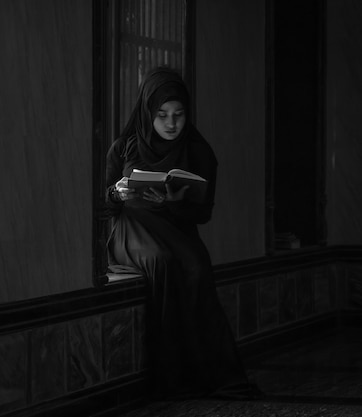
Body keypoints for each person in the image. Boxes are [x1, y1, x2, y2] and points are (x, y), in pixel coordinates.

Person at [105, 67, 261, 400]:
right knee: (161, 262)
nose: (171, 123)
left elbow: (203, 214)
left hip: (177, 227)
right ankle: (169, 378)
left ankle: (204, 373)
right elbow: (100, 202)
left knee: (195, 264)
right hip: (132, 229)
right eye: (162, 115)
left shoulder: (199, 152)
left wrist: (172, 203)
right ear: (148, 113)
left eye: (178, 114)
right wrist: (116, 194)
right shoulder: (124, 147)